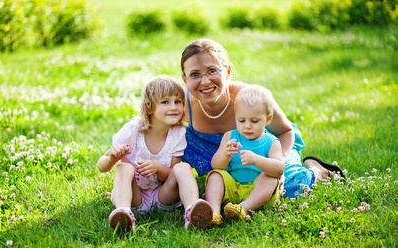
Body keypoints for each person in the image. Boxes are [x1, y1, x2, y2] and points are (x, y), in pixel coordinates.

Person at [180, 38, 344, 200]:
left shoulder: (249, 97)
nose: (205, 81)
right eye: (194, 74)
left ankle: (317, 170)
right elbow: (158, 127)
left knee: (287, 186)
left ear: (228, 72)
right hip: (216, 152)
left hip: (266, 146)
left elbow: (285, 131)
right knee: (182, 140)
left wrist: (278, 165)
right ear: (184, 79)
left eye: (212, 71)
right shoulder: (181, 104)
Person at [97, 75, 212, 233]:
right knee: (123, 167)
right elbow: (101, 166)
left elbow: (171, 175)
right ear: (150, 107)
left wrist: (158, 168)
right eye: (165, 102)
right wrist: (111, 158)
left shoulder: (178, 134)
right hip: (134, 197)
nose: (173, 107)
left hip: (162, 196)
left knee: (183, 168)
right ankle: (124, 214)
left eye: (177, 101)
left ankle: (192, 211)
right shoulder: (131, 131)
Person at [205, 85, 285, 224]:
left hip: (258, 194)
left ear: (268, 119)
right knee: (216, 175)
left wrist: (256, 160)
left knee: (270, 178)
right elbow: (216, 165)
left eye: (254, 121)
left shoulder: (271, 142)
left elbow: (279, 168)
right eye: (241, 120)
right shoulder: (230, 136)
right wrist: (225, 154)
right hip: (232, 189)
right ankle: (214, 212)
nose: (247, 126)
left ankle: (243, 208)